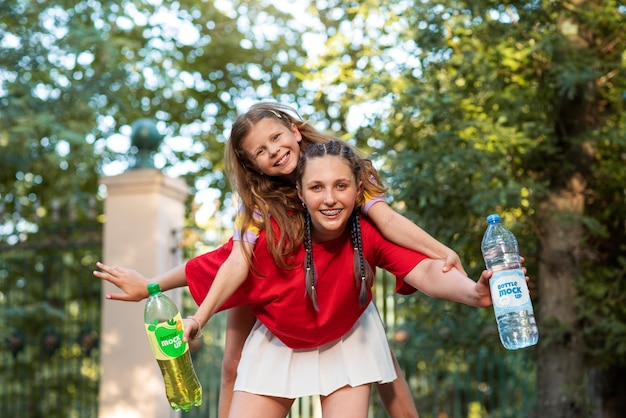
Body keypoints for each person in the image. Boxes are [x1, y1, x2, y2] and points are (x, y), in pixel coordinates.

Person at [94, 102, 466, 418]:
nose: (272, 150)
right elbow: (227, 261)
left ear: (295, 129)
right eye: (260, 150)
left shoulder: (341, 167)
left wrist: (442, 251)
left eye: (276, 137)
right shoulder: (260, 205)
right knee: (232, 366)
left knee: (380, 359)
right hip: (271, 281)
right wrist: (167, 297)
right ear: (253, 165)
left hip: (337, 285)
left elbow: (386, 222)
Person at [178, 139, 499, 417]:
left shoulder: (367, 231)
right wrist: (154, 289)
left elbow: (426, 270)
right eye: (317, 187)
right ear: (300, 194)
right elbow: (212, 266)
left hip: (344, 341)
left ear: (358, 190)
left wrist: (474, 292)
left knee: (388, 371)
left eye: (341, 186)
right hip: (280, 339)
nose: (330, 198)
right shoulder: (268, 239)